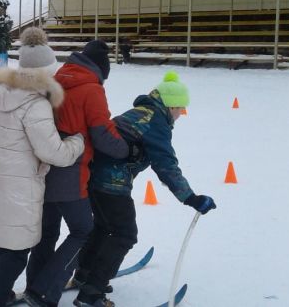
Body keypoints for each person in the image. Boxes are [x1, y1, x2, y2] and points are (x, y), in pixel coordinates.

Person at [72, 71, 217, 307]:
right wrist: (191, 198)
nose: (181, 113)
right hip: (112, 184)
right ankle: (91, 294)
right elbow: (166, 164)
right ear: (170, 105)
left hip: (93, 177)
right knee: (124, 234)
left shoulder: (140, 112)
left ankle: (84, 274)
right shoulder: (156, 122)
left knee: (103, 227)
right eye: (180, 108)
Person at [0, 28, 85, 307]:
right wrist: (77, 142)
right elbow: (53, 152)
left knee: (5, 244)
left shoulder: (5, 94)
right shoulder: (35, 104)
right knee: (16, 252)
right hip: (20, 184)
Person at [24, 40, 129, 307]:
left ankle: (35, 283)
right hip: (71, 172)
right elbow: (102, 133)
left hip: (43, 167)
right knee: (83, 230)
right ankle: (44, 290)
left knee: (47, 232)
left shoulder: (59, 78)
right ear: (100, 69)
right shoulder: (91, 89)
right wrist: (126, 150)